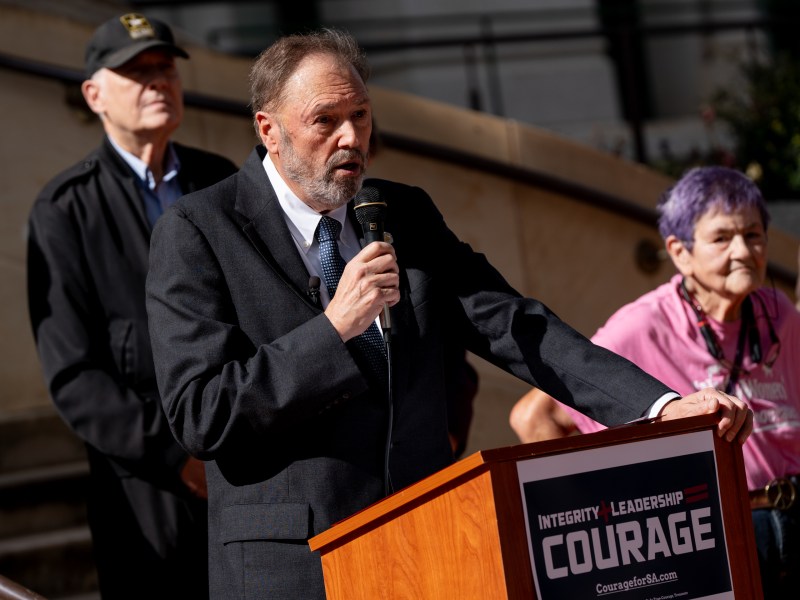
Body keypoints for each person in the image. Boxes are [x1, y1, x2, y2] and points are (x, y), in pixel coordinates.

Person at [144, 30, 752, 600]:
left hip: (425, 552)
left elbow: (515, 325)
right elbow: (201, 412)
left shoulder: (400, 213)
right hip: (291, 568)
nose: (350, 139)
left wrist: (660, 408)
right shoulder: (200, 229)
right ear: (268, 130)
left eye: (359, 116)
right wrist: (334, 330)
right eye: (324, 122)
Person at [510, 166, 800, 599]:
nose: (743, 251)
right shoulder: (644, 324)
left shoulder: (777, 311)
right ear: (679, 251)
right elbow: (535, 416)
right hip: (719, 529)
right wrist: (616, 520)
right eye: (722, 238)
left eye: (753, 235)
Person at [26, 13, 238, 599]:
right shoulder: (65, 209)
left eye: (165, 67)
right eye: (135, 71)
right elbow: (74, 374)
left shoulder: (221, 182)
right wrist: (176, 456)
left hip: (242, 460)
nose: (158, 81)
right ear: (94, 94)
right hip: (145, 488)